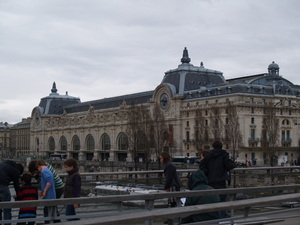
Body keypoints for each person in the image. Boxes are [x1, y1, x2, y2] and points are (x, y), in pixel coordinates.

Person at [201, 140, 237, 217]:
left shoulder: (208, 155)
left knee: (212, 199)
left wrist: (207, 172)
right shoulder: (224, 154)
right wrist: (235, 164)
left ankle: (213, 216)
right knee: (222, 200)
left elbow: (202, 166)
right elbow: (228, 166)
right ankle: (222, 217)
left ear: (213, 147)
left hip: (210, 180)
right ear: (221, 146)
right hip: (221, 180)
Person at [0, 160, 24, 224]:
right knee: (7, 207)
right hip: (2, 185)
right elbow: (16, 185)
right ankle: (7, 223)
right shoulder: (15, 171)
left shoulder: (5, 163)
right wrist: (19, 196)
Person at [36, 159, 56, 224]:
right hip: (51, 195)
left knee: (47, 214)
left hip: (48, 197)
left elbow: (49, 181)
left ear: (39, 166)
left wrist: (44, 190)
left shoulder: (44, 171)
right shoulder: (48, 170)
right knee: (51, 213)